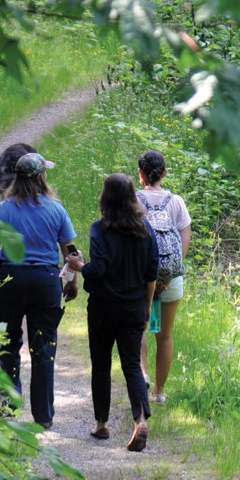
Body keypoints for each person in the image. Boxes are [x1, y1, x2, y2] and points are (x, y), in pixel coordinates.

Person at [0, 152, 79, 428]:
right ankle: (43, 416)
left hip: (10, 280)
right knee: (44, 346)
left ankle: (9, 410)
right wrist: (71, 281)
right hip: (45, 281)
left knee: (8, 344)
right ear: (40, 177)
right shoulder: (56, 210)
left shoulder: (3, 209)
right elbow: (71, 253)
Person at [67, 174, 158, 452]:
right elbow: (152, 272)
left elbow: (99, 269)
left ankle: (101, 424)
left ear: (105, 198)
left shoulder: (100, 229)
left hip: (103, 308)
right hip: (133, 307)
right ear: (132, 197)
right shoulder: (146, 230)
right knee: (131, 365)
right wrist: (146, 308)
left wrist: (79, 265)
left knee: (102, 364)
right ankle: (140, 420)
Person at [136, 150, 192, 404]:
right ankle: (159, 392)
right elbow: (184, 239)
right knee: (165, 335)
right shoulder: (176, 202)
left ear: (141, 174)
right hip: (171, 279)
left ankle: (143, 377)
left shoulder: (134, 200)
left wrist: (147, 275)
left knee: (140, 330)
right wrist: (168, 274)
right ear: (164, 174)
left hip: (139, 278)